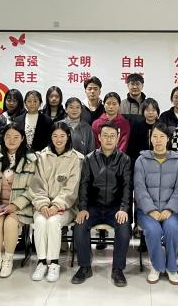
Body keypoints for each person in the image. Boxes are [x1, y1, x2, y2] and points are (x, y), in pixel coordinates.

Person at [72, 122, 132, 287]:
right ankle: (85, 267)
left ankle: (118, 269)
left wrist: (123, 209)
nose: (109, 139)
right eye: (105, 135)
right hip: (94, 206)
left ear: (118, 138)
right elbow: (84, 185)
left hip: (115, 207)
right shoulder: (89, 159)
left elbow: (127, 187)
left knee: (124, 228)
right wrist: (83, 208)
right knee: (80, 225)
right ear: (99, 137)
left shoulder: (124, 159)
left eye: (112, 136)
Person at [30, 122, 82, 283]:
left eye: (62, 136)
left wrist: (57, 205)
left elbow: (72, 188)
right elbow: (36, 183)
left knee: (53, 222)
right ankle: (41, 262)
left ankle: (53, 263)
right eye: (55, 136)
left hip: (66, 206)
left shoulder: (76, 158)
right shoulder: (41, 157)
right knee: (40, 221)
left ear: (68, 137)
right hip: (43, 205)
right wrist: (43, 204)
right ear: (50, 137)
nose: (58, 140)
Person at [0, 123, 37, 278]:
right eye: (8, 137)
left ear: (22, 139)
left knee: (10, 223)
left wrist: (15, 205)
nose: (11, 140)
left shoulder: (31, 160)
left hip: (21, 206)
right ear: (3, 138)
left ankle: (8, 260)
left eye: (16, 137)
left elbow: (32, 189)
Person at [134, 123, 178, 285]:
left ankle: (171, 267)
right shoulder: (141, 160)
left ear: (168, 139)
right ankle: (157, 266)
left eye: (162, 136)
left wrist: (170, 209)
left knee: (172, 229)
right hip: (146, 211)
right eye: (155, 136)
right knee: (153, 230)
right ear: (150, 138)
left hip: (170, 210)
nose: (158, 140)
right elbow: (139, 189)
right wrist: (151, 210)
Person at [127, 98, 160, 162]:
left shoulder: (161, 127)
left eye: (153, 110)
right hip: (140, 160)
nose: (150, 113)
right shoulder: (137, 126)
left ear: (157, 112)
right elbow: (132, 149)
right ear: (143, 111)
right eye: (147, 110)